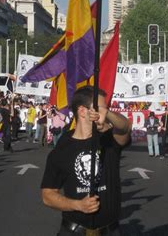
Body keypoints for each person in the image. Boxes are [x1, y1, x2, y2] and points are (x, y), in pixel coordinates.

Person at [41, 86, 131, 235]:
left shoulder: (108, 139)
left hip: (110, 231)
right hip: (74, 230)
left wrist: (107, 113)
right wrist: (77, 205)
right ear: (82, 111)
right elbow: (48, 195)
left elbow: (125, 128)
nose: (102, 113)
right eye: (99, 108)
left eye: (104, 109)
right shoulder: (62, 148)